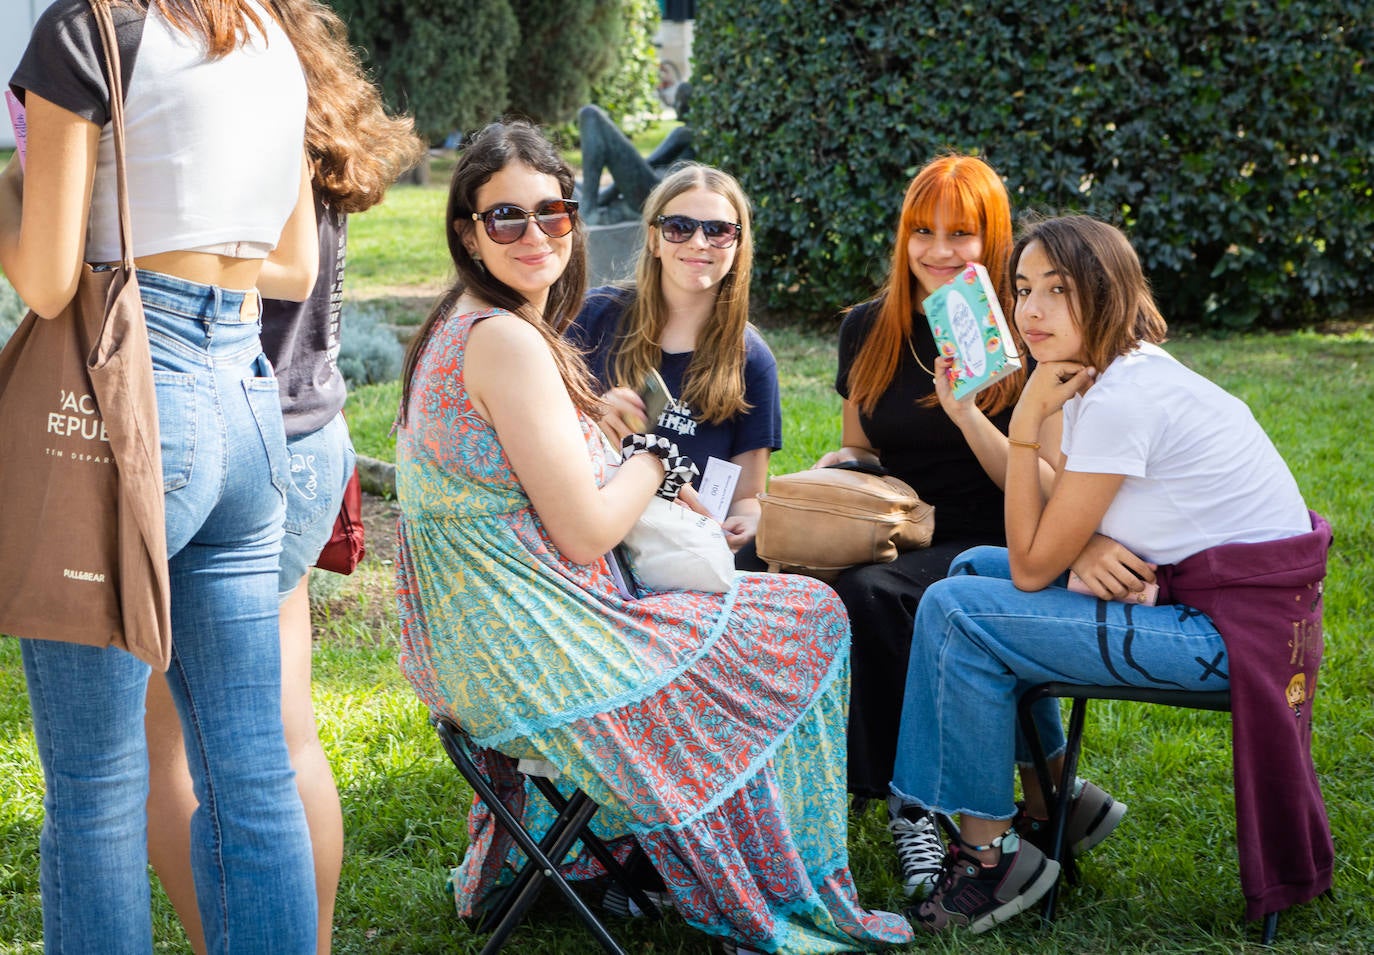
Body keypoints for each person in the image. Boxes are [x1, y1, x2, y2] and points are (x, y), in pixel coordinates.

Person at [392, 119, 912, 954]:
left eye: (552, 214)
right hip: (538, 653)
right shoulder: (507, 341)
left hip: (481, 644)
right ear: (467, 231)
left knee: (779, 607)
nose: (536, 235)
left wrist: (603, 433)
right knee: (809, 617)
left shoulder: (464, 325)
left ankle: (642, 855)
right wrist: (652, 451)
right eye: (506, 218)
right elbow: (587, 527)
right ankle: (776, 875)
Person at [891, 214, 1325, 934]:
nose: (1030, 310)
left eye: (1055, 291)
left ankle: (989, 856)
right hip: (1202, 601)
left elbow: (1032, 564)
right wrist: (972, 415)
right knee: (970, 569)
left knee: (959, 607)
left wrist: (1028, 415)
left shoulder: (1124, 397)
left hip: (1228, 639)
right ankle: (1055, 797)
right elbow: (1054, 494)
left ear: (1105, 291)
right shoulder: (1110, 374)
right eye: (1023, 288)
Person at [1, 0, 319, 951]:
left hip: (126, 394)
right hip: (245, 400)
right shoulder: (269, 31)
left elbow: (49, 280)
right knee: (252, 769)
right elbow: (294, 262)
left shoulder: (86, 27)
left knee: (97, 788)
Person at [140, 2, 427, 951]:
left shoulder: (216, 104)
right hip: (312, 440)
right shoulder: (305, 109)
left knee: (171, 753)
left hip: (231, 438)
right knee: (284, 736)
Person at [813, 153, 1036, 897]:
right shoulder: (868, 328)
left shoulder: (1022, 334)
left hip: (989, 538)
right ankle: (771, 786)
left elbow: (1026, 483)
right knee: (760, 568)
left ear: (994, 240)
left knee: (873, 593)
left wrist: (968, 403)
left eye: (961, 233)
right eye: (922, 231)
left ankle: (911, 803)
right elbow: (863, 446)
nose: (939, 251)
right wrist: (836, 468)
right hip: (898, 525)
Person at [568, 162, 778, 565]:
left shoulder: (752, 359)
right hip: (589, 532)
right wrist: (592, 417)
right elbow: (539, 429)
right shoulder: (593, 317)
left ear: (738, 244)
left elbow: (747, 496)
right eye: (679, 227)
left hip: (683, 549)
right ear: (654, 239)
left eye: (717, 230)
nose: (699, 242)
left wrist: (749, 522)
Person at [576, 82, 694, 224]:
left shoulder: (684, 133)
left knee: (590, 114)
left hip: (652, 195)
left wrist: (606, 195)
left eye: (677, 100)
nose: (675, 105)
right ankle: (591, 203)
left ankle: (588, 210)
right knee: (570, 183)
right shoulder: (695, 135)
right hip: (655, 194)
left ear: (684, 104)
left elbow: (650, 162)